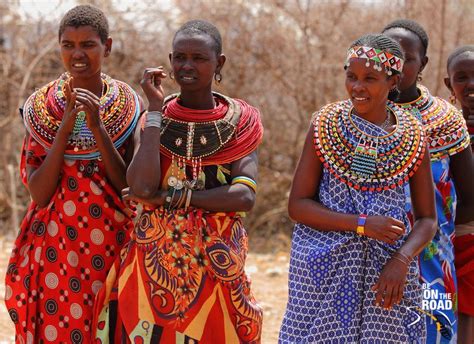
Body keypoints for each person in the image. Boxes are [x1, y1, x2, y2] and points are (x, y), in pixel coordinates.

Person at [92, 20, 264, 343]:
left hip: (217, 264)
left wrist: (171, 199)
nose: (187, 66)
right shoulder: (153, 119)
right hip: (151, 266)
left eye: (199, 58)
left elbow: (244, 195)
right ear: (169, 61)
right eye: (180, 57)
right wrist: (155, 108)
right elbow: (142, 189)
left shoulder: (241, 123)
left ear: (219, 63)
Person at [278, 33, 437, 343]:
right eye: (351, 76)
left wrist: (401, 260)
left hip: (387, 271)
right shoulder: (325, 125)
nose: (357, 87)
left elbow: (428, 219)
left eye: (370, 78)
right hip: (323, 267)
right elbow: (297, 205)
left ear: (394, 81)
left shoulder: (413, 136)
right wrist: (363, 225)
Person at [4, 5, 140, 342]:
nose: (77, 54)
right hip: (56, 248)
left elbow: (129, 184)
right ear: (59, 47)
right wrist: (63, 131)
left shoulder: (127, 106)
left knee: (110, 326)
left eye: (88, 45)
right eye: (68, 45)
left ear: (106, 47)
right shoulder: (42, 110)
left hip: (112, 243)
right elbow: (39, 193)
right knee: (60, 327)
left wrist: (97, 127)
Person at [383, 20, 474, 344]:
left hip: (433, 258)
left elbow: (468, 195)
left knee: (434, 331)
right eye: (388, 54)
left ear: (423, 63)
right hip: (373, 252)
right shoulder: (362, 116)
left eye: (406, 57)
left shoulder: (445, 119)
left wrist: (436, 233)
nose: (395, 64)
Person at [444, 45, 474, 344]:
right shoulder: (442, 129)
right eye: (462, 77)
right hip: (445, 242)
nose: (471, 85)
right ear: (448, 83)